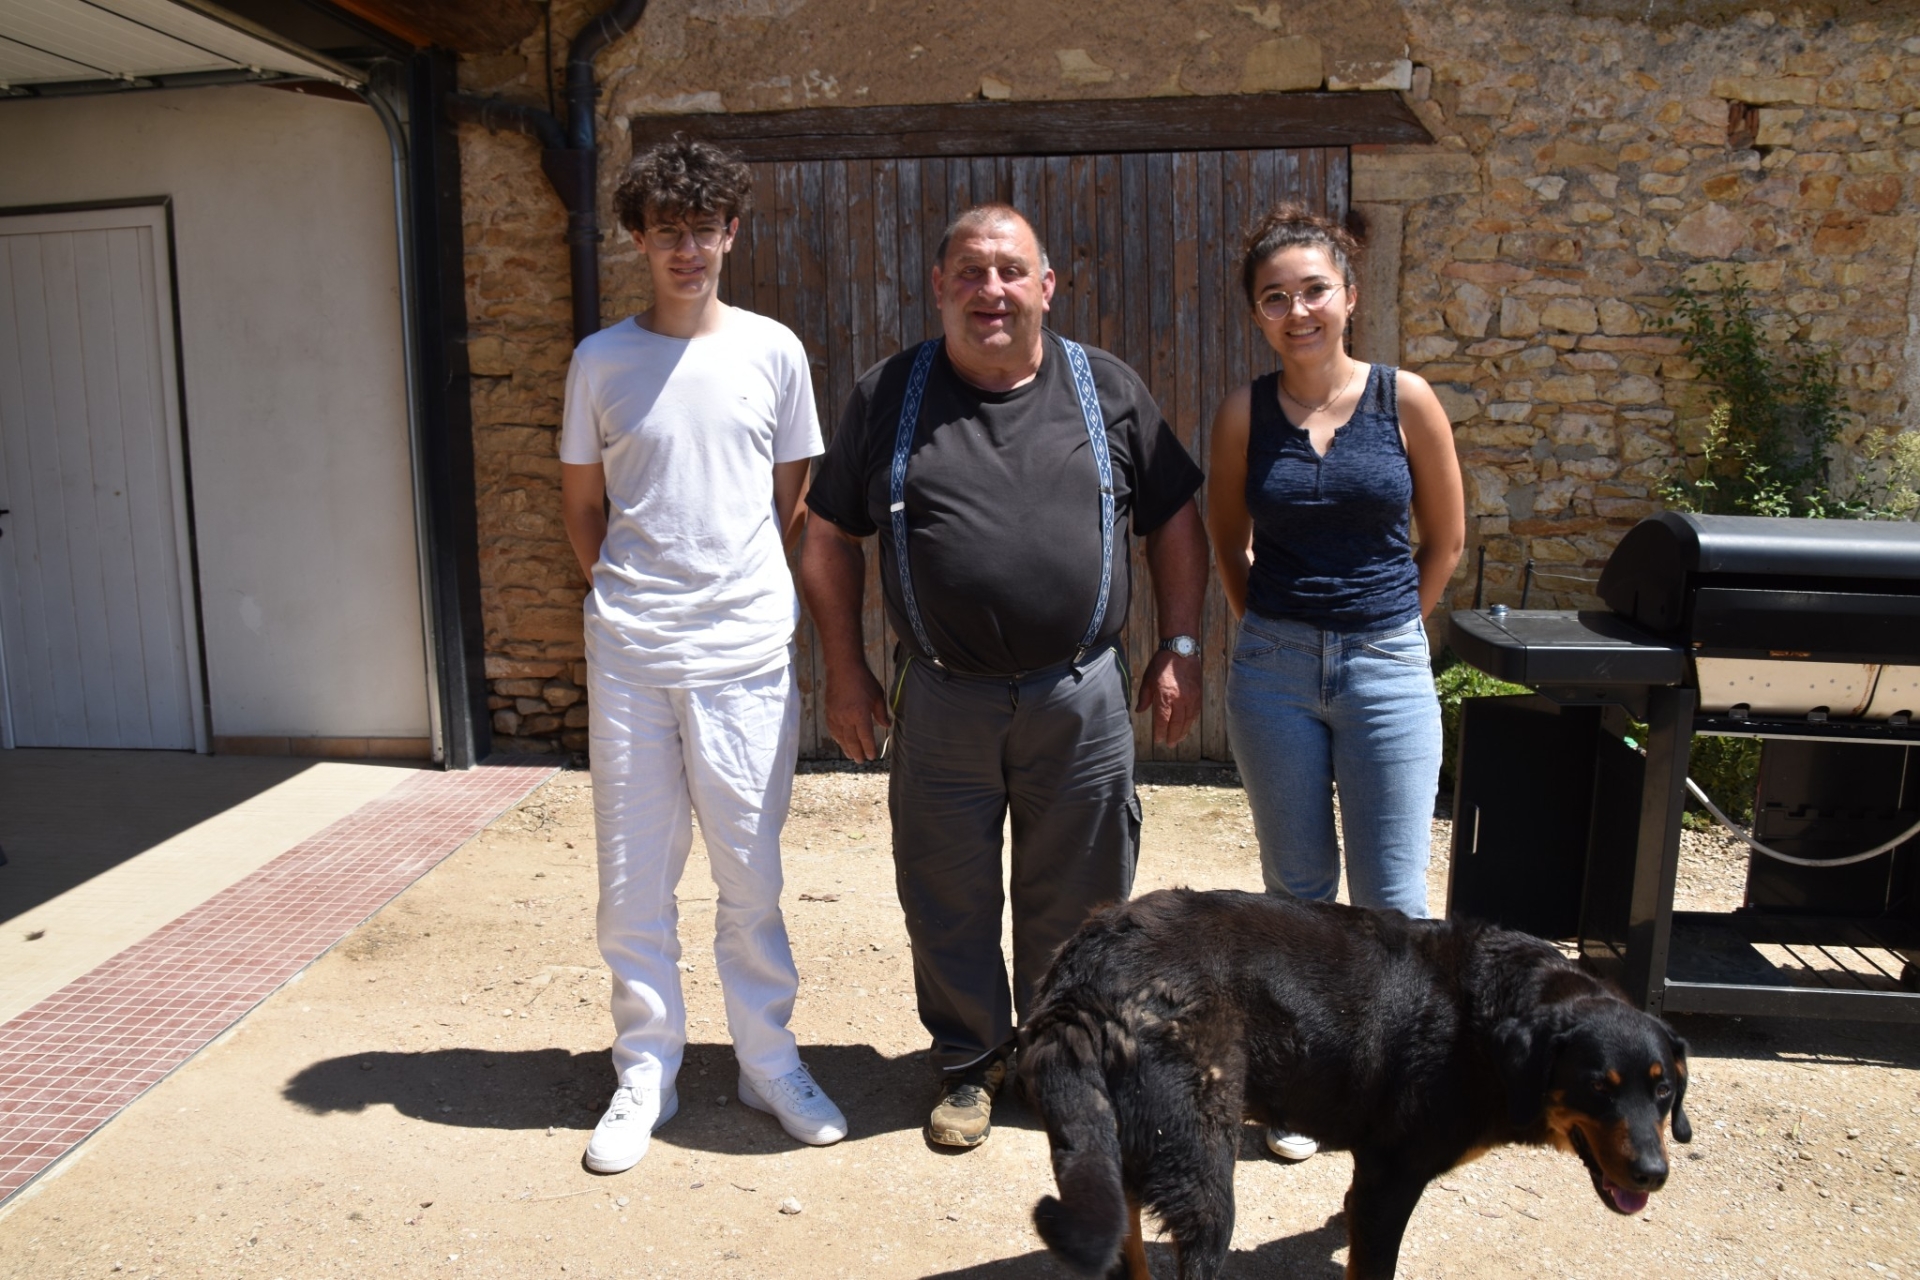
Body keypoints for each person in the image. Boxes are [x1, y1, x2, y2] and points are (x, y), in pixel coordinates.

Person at [799, 203, 1209, 1150]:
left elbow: (1175, 516)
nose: (992, 290)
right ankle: (969, 1064)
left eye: (1011, 271)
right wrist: (846, 669)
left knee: (1085, 894)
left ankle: (1061, 1060)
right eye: (971, 272)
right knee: (947, 890)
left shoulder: (1103, 387)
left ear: (1046, 286)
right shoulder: (888, 395)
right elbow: (826, 536)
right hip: (942, 695)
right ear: (940, 286)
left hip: (1080, 695)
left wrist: (1181, 645)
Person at [559, 136, 847, 1175]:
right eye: (667, 231)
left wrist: (734, 588)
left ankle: (768, 1062)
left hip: (743, 652)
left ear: (733, 232)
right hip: (633, 652)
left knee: (750, 871)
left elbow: (793, 494)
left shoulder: (773, 350)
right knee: (633, 878)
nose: (689, 249)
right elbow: (583, 509)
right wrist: (632, 596)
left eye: (705, 229)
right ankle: (646, 1069)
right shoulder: (600, 360)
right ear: (640, 238)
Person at [1205, 205, 1465, 1162]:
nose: (1298, 310)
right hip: (1273, 670)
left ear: (1349, 297)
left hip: (1387, 665)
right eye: (1276, 297)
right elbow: (1228, 535)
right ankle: (1307, 1084)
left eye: (1315, 289)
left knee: (1394, 897)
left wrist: (1394, 626)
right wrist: (1260, 626)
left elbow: (1446, 539)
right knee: (1297, 893)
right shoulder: (1244, 412)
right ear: (1258, 315)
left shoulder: (1408, 400)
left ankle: (1403, 1085)